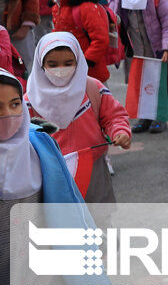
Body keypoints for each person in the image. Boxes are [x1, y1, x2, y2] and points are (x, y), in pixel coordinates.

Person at [0, 68, 88, 285]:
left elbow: (64, 197)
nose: (8, 116)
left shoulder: (37, 147)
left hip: (36, 260)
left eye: (14, 104)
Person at [27, 33, 130, 203]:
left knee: (99, 218)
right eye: (52, 65)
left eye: (68, 64)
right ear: (41, 65)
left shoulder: (92, 88)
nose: (60, 70)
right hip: (52, 171)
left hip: (92, 167)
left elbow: (113, 116)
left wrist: (120, 131)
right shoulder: (30, 99)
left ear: (78, 62)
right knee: (62, 222)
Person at [107, 0, 168, 134]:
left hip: (156, 49)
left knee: (159, 85)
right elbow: (115, 18)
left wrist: (166, 48)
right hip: (136, 49)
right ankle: (145, 117)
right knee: (142, 85)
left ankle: (160, 118)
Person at [44, 0, 112, 82]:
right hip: (67, 70)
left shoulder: (86, 7)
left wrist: (84, 63)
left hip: (90, 74)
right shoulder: (58, 5)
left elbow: (100, 40)